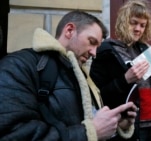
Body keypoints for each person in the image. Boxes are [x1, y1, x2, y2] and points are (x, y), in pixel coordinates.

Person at [0, 10, 138, 141]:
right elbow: (14, 133)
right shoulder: (19, 64)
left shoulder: (82, 75)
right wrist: (88, 132)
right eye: (92, 42)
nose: (94, 53)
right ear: (69, 31)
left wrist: (115, 125)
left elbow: (89, 124)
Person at [90, 0, 151, 141]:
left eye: (142, 25)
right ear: (123, 21)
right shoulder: (106, 50)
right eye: (133, 23)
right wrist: (125, 80)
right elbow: (97, 97)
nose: (138, 29)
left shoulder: (146, 49)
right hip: (129, 128)